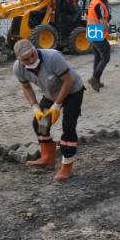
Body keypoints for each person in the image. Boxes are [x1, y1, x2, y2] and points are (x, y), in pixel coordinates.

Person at [13, 39, 85, 182]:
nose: (31, 60)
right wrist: (36, 108)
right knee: (39, 124)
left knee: (68, 128)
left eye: (33, 55)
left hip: (72, 90)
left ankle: (66, 167)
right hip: (50, 94)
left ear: (35, 49)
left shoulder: (53, 57)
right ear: (19, 60)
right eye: (26, 59)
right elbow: (26, 87)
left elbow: (68, 80)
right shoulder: (18, 68)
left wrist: (57, 106)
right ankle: (48, 158)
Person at [86, 0, 111, 92]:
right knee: (105, 56)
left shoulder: (93, 2)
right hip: (97, 32)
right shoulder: (99, 4)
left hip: (92, 32)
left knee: (98, 57)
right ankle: (95, 77)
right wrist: (110, 31)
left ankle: (96, 80)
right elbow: (101, 21)